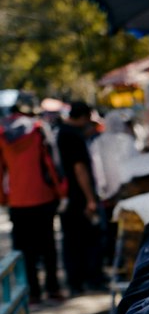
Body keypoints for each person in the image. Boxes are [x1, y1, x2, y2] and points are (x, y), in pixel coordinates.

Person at [0, 95, 63, 304]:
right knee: (47, 247)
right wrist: (61, 191)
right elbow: (51, 163)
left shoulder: (3, 133)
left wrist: (3, 197)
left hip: (17, 200)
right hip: (43, 196)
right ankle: (53, 289)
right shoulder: (38, 129)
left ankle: (32, 293)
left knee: (25, 250)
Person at [56, 101, 105, 296]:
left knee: (74, 240)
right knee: (84, 239)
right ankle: (87, 279)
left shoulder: (62, 132)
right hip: (77, 196)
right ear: (84, 117)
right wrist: (90, 198)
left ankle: (78, 280)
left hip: (68, 196)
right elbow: (79, 169)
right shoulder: (72, 136)